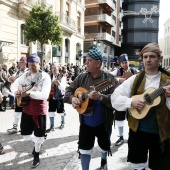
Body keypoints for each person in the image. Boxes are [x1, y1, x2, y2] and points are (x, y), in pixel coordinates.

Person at [111, 43, 170, 170]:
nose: (148, 60)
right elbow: (115, 97)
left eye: (152, 56)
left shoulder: (167, 80)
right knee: (138, 166)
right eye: (145, 56)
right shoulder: (135, 79)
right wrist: (131, 103)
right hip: (137, 133)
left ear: (160, 59)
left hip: (161, 135)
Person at [64, 46, 119, 170]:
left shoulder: (109, 79)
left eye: (89, 60)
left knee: (104, 145)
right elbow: (68, 90)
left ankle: (104, 162)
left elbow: (117, 99)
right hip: (86, 122)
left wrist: (101, 97)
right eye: (86, 60)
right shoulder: (81, 77)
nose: (86, 63)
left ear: (98, 63)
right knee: (84, 148)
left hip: (103, 122)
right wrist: (72, 98)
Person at [11, 53, 51, 168]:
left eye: (34, 65)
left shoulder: (45, 76)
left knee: (38, 135)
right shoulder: (26, 74)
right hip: (27, 108)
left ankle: (36, 155)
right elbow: (15, 84)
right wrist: (16, 92)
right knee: (25, 133)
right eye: (30, 65)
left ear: (39, 64)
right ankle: (39, 141)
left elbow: (44, 95)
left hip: (39, 110)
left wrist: (30, 93)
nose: (31, 67)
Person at [111, 54, 138, 146]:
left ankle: (131, 136)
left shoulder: (134, 71)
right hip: (121, 98)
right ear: (120, 63)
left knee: (133, 117)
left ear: (128, 62)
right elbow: (109, 77)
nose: (125, 64)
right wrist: (119, 80)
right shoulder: (117, 71)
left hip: (133, 98)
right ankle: (121, 137)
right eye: (122, 63)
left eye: (126, 62)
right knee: (119, 117)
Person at [7, 57, 28, 134]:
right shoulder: (18, 72)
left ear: (25, 63)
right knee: (17, 111)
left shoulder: (28, 71)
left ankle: (23, 127)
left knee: (25, 112)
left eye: (22, 62)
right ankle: (15, 127)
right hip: (18, 94)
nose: (21, 64)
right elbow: (9, 78)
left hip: (25, 94)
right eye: (20, 62)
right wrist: (11, 78)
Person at [46, 63, 67, 133]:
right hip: (51, 96)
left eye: (55, 68)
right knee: (51, 111)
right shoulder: (49, 76)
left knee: (61, 111)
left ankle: (63, 123)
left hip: (59, 96)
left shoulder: (62, 77)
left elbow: (64, 87)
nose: (54, 70)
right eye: (53, 68)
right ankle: (52, 126)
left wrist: (59, 84)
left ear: (58, 68)